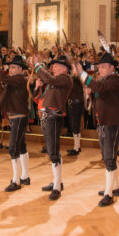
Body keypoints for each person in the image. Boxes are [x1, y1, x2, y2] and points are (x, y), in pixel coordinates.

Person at [74, 52, 119, 207]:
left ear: (112, 68)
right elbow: (100, 98)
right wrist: (91, 95)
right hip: (104, 122)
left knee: (109, 158)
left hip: (113, 122)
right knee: (109, 157)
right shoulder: (106, 81)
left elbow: (100, 87)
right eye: (99, 67)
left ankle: (109, 194)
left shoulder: (115, 80)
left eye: (103, 67)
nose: (100, 70)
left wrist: (82, 73)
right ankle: (114, 188)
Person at [31, 55, 72, 201]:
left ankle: (57, 187)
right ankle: (57, 181)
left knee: (53, 151)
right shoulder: (52, 82)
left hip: (54, 117)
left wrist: (37, 66)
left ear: (64, 68)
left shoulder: (65, 79)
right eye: (53, 65)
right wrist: (37, 87)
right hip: (45, 116)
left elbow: (50, 79)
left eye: (56, 66)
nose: (53, 67)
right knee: (51, 150)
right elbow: (38, 99)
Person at [0, 53, 30, 191]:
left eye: (13, 67)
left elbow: (3, 76)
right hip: (15, 117)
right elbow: (2, 96)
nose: (11, 69)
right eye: (10, 67)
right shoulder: (13, 80)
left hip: (19, 116)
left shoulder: (20, 79)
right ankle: (25, 176)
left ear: (20, 69)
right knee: (22, 146)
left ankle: (16, 180)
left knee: (13, 148)